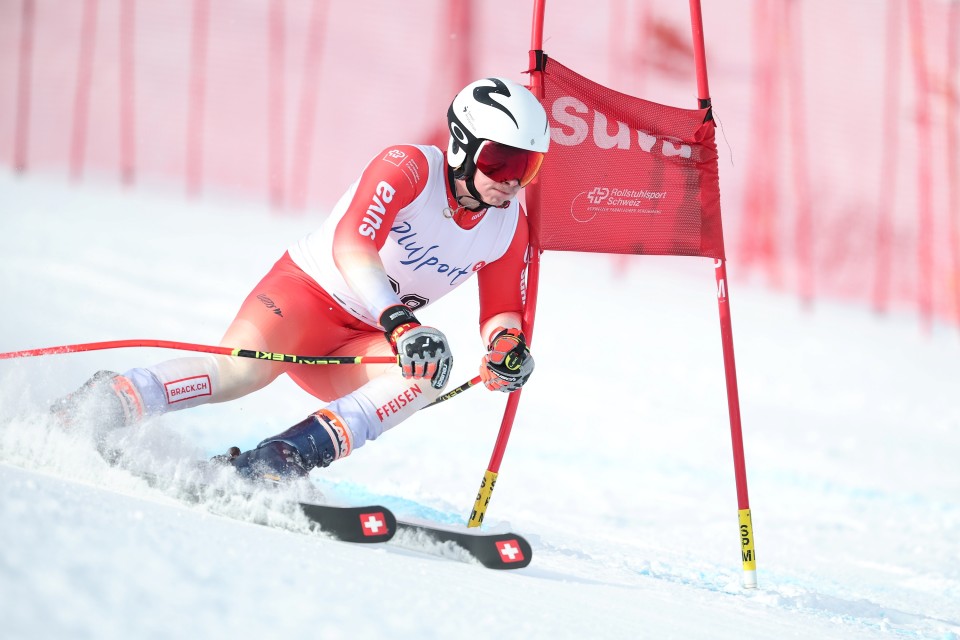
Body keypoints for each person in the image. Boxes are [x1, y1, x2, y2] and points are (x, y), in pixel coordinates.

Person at [52, 77, 548, 483]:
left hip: (363, 339)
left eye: (525, 167)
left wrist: (506, 346)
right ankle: (104, 402)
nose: (510, 179)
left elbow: (501, 310)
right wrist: (399, 323)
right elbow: (353, 243)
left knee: (427, 372)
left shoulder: (508, 224)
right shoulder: (409, 167)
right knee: (240, 373)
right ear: (461, 145)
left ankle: (275, 462)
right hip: (304, 298)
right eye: (498, 160)